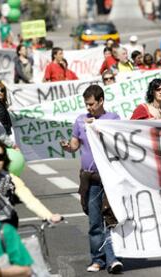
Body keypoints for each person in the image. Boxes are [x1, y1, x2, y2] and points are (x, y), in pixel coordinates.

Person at [60, 85, 123, 273]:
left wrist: (98, 130)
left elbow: (119, 144)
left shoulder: (113, 119)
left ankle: (113, 258)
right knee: (95, 221)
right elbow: (74, 145)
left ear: (101, 101)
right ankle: (98, 258)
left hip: (110, 179)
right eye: (86, 105)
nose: (88, 108)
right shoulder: (80, 121)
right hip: (90, 179)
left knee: (111, 219)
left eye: (92, 104)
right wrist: (67, 146)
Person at [0, 138, 62, 228]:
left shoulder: (10, 178)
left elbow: (29, 199)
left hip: (8, 226)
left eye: (0, 157)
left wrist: (48, 215)